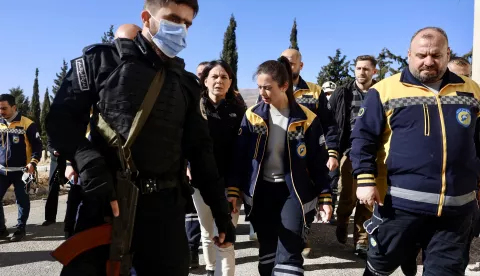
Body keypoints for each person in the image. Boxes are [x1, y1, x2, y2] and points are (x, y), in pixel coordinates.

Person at [46, 0, 235, 275]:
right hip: (104, 200)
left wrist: (220, 212)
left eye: (187, 23)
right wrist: (89, 163)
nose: (180, 29)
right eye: (173, 18)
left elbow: (200, 151)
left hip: (164, 211)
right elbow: (60, 121)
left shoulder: (186, 83)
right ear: (147, 18)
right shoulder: (101, 60)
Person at [351, 26, 480, 276]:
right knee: (379, 269)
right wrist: (365, 179)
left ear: (447, 54)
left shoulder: (472, 91)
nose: (428, 62)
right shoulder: (385, 90)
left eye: (436, 55)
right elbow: (363, 137)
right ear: (409, 54)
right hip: (400, 206)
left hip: (457, 209)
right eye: (421, 55)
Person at [228, 56, 332, 276]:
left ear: (284, 86)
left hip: (293, 194)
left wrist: (325, 196)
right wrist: (234, 191)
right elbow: (240, 158)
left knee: (290, 251)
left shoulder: (306, 119)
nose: (262, 93)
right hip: (262, 193)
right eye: (259, 87)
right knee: (267, 252)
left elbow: (318, 163)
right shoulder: (253, 116)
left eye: (267, 87)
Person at [280, 48, 339, 258]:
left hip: (311, 156)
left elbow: (329, 124)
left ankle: (303, 233)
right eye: (283, 63)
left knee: (308, 196)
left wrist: (332, 153)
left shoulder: (314, 91)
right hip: (284, 158)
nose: (287, 67)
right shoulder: (273, 89)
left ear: (300, 65)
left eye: (291, 63)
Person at [191, 60, 246, 276]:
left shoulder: (239, 111)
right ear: (205, 80)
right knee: (207, 231)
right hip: (200, 180)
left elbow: (242, 152)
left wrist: (235, 186)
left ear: (231, 82)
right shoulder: (192, 108)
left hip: (229, 184)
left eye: (224, 77)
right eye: (214, 76)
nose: (219, 81)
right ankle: (211, 270)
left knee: (226, 237)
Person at [328, 55, 379, 257]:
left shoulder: (380, 92)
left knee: (367, 200)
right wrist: (332, 150)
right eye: (358, 68)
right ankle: (342, 222)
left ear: (374, 71)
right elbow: (331, 120)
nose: (361, 72)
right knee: (348, 195)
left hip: (372, 152)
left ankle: (361, 240)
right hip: (348, 151)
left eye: (366, 69)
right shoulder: (343, 92)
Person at [0, 94, 42, 242]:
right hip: (2, 171)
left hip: (22, 171)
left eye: (4, 108)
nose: (1, 111)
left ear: (14, 107)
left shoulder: (27, 124)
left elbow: (38, 146)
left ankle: (20, 228)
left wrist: (33, 162)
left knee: (22, 200)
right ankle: (1, 229)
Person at [41, 150, 66, 226]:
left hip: (72, 163)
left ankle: (72, 217)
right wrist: (53, 151)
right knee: (52, 190)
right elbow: (49, 144)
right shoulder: (52, 137)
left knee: (75, 192)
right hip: (56, 164)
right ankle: (50, 218)